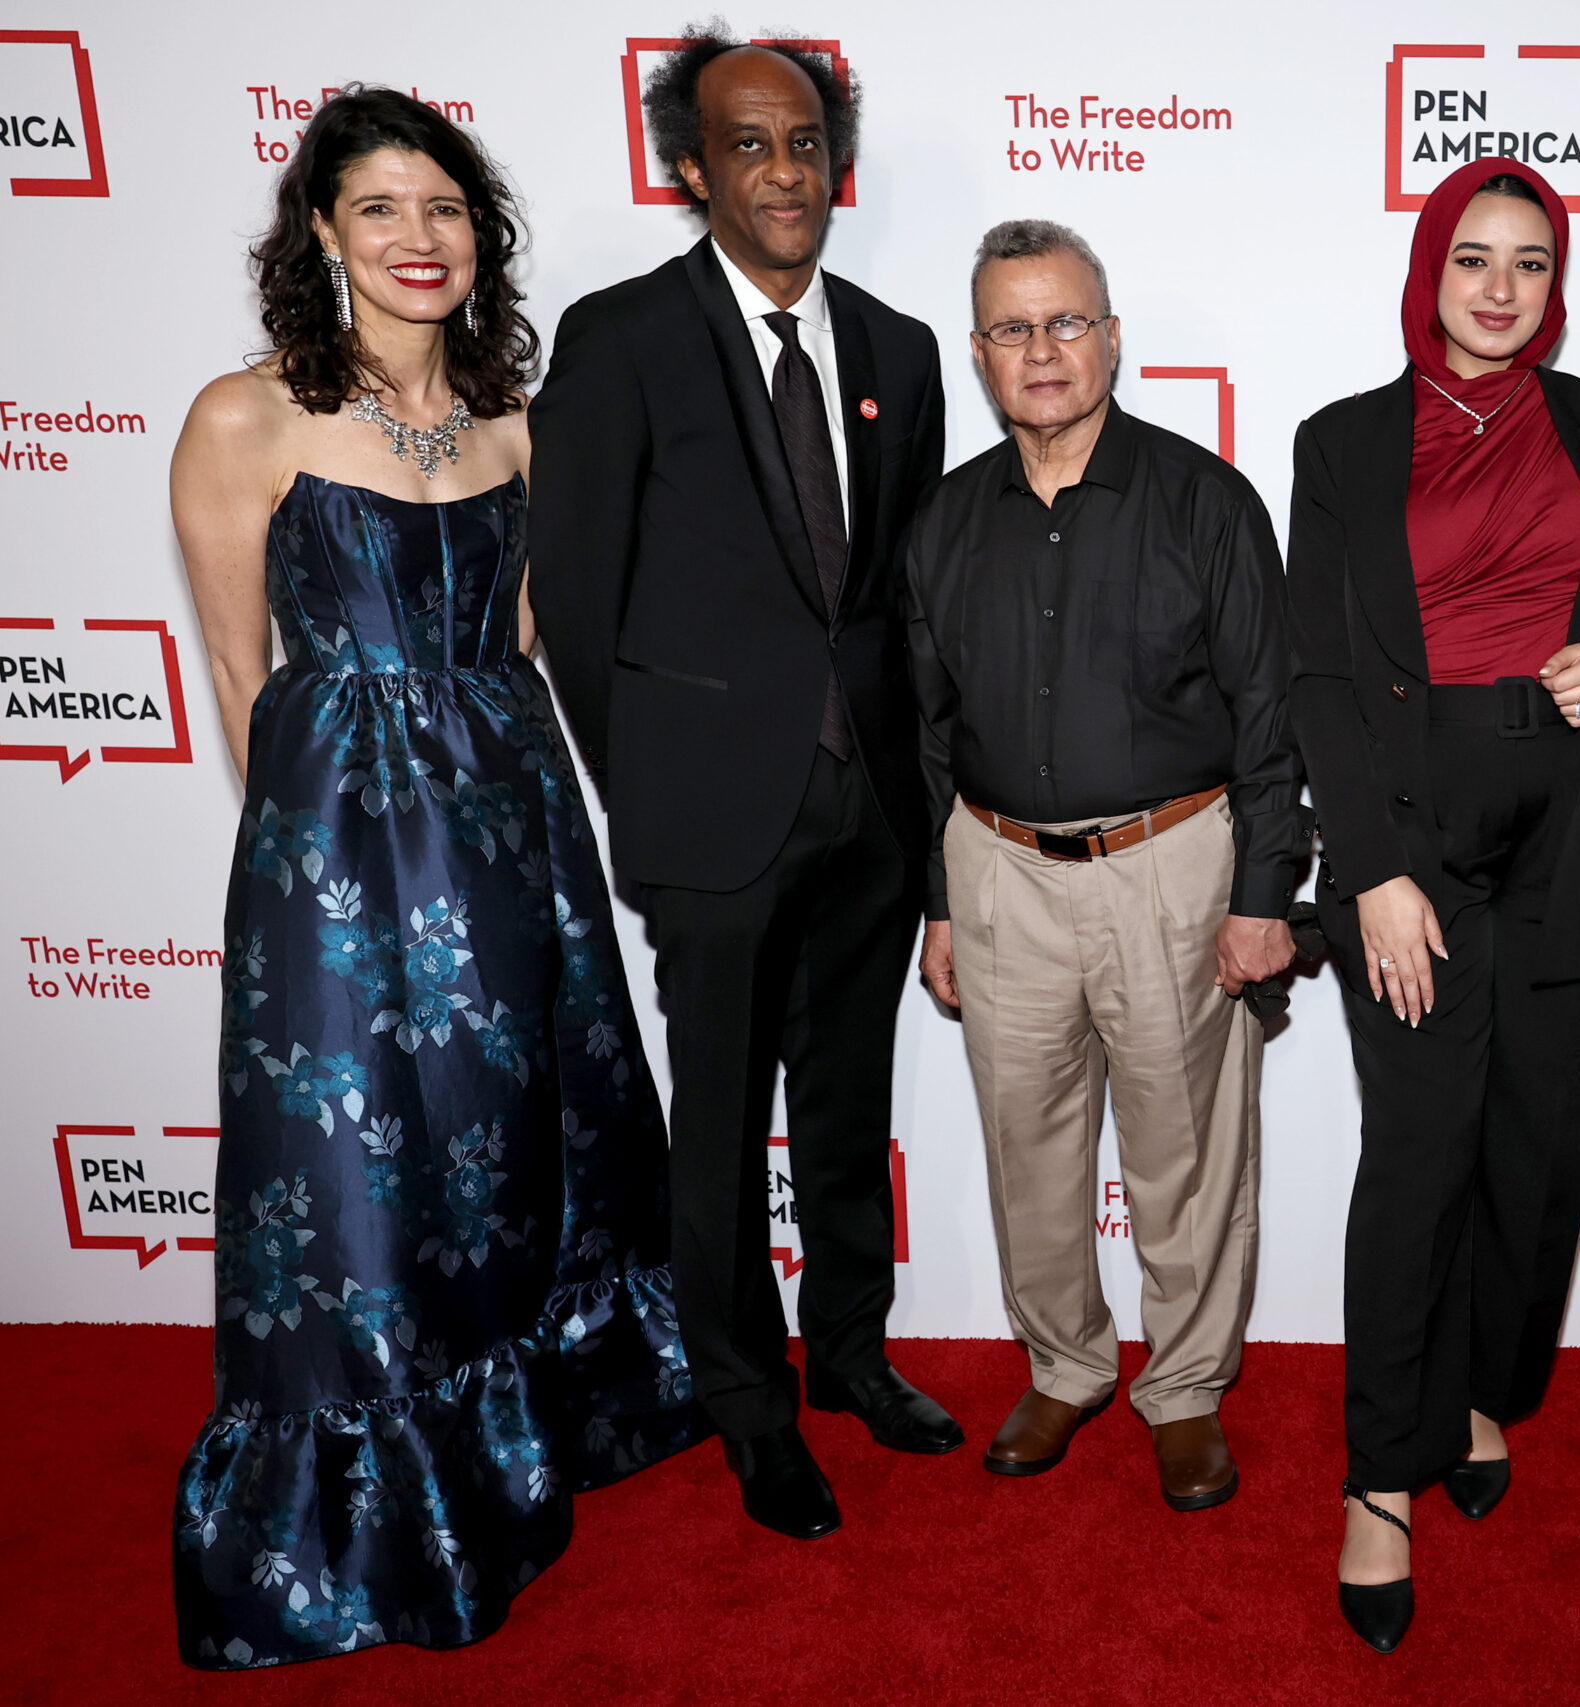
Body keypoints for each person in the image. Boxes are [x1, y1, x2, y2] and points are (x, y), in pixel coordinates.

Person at [168, 87, 693, 1669]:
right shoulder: (244, 418)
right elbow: (237, 663)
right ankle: (378, 1513)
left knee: (518, 1134)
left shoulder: (517, 421)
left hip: (518, 822)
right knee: (365, 1175)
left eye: (446, 209)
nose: (419, 239)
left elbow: (522, 647)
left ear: (483, 237)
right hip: (340, 854)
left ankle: (526, 1433)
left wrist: (506, 812)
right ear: (322, 232)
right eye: (381, 209)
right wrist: (324, 861)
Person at [529, 30, 956, 1542]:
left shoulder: (901, 349)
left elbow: (902, 599)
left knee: (851, 1104)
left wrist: (920, 808)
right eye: (750, 146)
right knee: (717, 1125)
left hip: (873, 812)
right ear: (692, 168)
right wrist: (645, 788)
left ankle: (848, 1355)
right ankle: (747, 1403)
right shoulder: (622, 335)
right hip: (710, 817)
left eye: (805, 143)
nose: (785, 172)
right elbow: (575, 596)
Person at [1289, 158, 1580, 1652]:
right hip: (1412, 827)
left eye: (1531, 262)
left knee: (1537, 1148)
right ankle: (1379, 1481)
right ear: (1431, 266)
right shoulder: (1342, 443)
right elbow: (1320, 677)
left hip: (1577, 818)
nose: (1500, 286)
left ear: (1555, 283)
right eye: (1475, 256)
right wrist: (1374, 870)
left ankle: (1479, 1392)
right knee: (1418, 1154)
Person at [904, 220, 1302, 1511]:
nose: (1043, 350)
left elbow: (1269, 721)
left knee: (1186, 1152)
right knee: (1028, 1143)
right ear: (980, 354)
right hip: (998, 870)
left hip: (1172, 865)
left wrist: (1260, 900)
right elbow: (925, 729)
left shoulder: (1207, 501)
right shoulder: (945, 523)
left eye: (1066, 321)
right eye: (1014, 329)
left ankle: (1184, 1388)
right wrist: (940, 901)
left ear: (1113, 338)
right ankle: (1065, 1365)